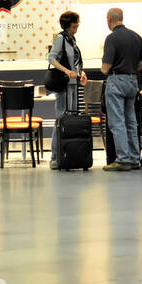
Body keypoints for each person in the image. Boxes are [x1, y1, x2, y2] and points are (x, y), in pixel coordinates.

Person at [100, 7, 142, 172]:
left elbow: (105, 67)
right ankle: (134, 158)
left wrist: (104, 69)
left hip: (116, 80)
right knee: (131, 121)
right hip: (132, 81)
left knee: (117, 122)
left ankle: (123, 159)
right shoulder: (135, 36)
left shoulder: (111, 38)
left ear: (109, 20)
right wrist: (135, 68)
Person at [47, 11, 86, 169]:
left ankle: (67, 154)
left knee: (69, 118)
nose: (78, 24)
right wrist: (66, 71)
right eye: (76, 22)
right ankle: (55, 156)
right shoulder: (61, 38)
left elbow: (75, 61)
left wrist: (80, 72)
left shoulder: (72, 39)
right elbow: (51, 58)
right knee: (61, 119)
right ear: (69, 23)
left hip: (72, 84)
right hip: (64, 85)